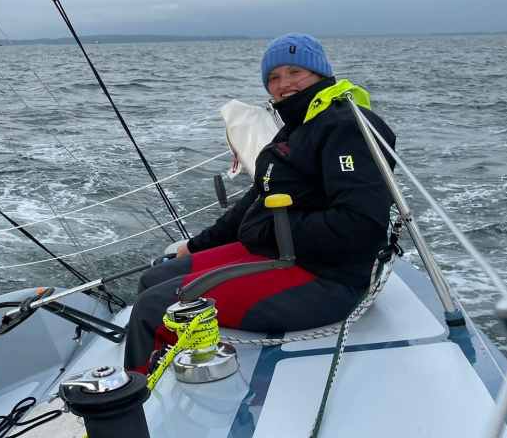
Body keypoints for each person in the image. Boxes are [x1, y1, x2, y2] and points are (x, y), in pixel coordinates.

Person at [124, 33, 396, 373]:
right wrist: (194, 246)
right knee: (154, 279)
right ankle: (174, 370)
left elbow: (361, 226)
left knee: (156, 308)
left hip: (327, 279)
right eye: (273, 77)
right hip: (281, 255)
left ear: (320, 73)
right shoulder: (299, 127)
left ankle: (128, 413)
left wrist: (267, 231)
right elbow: (256, 200)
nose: (283, 84)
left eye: (295, 72)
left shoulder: (347, 127)